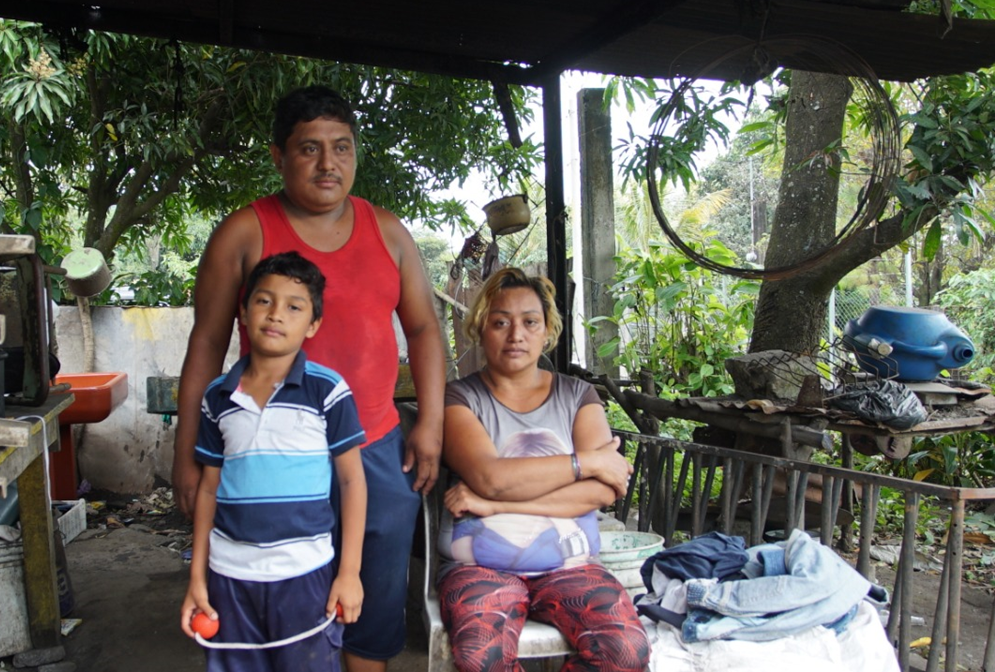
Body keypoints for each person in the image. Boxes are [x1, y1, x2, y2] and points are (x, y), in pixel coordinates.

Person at [173, 85, 445, 672]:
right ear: (278, 155)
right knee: (275, 601)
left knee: (369, 599)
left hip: (372, 444)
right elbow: (206, 346)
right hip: (270, 454)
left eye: (342, 148)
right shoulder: (244, 233)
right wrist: (186, 456)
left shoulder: (389, 232)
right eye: (310, 149)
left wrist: (431, 427)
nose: (329, 164)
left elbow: (425, 330)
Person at [438, 267, 650, 672]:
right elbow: (490, 478)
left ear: (547, 329)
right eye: (500, 322)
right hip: (480, 569)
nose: (516, 334)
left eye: (530, 322)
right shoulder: (460, 398)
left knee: (625, 652)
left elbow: (604, 492)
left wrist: (495, 506)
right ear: (480, 330)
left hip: (571, 568)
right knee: (482, 657)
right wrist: (585, 462)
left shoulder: (577, 395)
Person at [180, 252, 367, 672]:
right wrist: (198, 577)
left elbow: (353, 482)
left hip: (304, 574)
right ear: (243, 313)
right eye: (263, 301)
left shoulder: (327, 391)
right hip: (230, 576)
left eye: (294, 306)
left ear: (313, 323)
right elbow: (209, 487)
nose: (276, 314)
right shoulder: (217, 397)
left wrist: (349, 572)